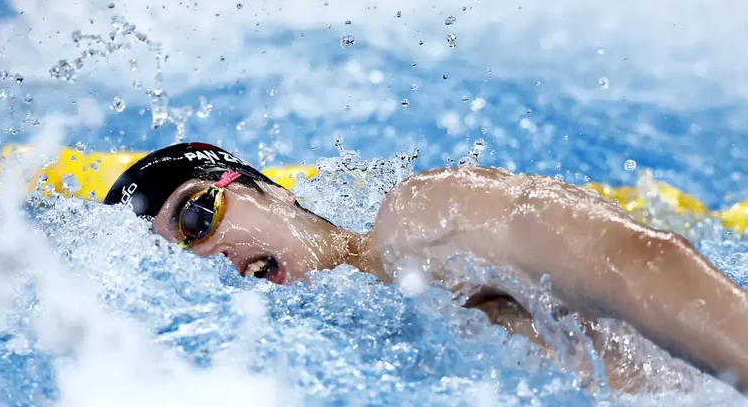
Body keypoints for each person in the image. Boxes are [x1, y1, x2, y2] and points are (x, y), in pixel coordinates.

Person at [103, 142, 748, 394]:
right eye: (178, 264)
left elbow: (636, 260)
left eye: (197, 219)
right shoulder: (343, 358)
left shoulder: (415, 224)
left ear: (262, 189)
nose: (209, 259)